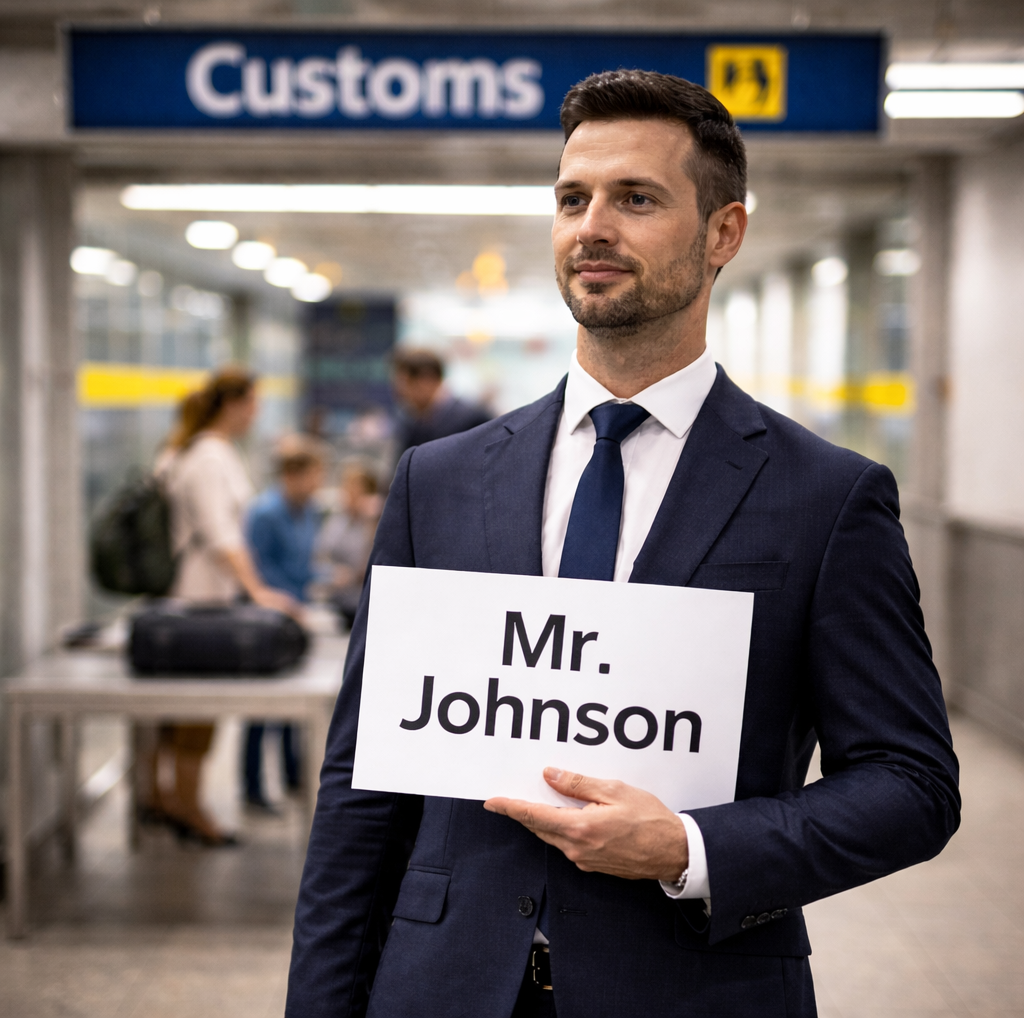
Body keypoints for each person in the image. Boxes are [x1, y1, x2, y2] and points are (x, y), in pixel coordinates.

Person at [286, 71, 960, 1018]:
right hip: (442, 985)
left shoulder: (827, 497)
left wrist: (691, 847)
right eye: (573, 199)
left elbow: (911, 785)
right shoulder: (438, 481)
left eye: (635, 198)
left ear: (724, 233)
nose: (591, 226)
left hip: (695, 986)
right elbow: (363, 786)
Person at [156, 367, 297, 845]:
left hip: (186, 597)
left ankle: (164, 796)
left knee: (175, 711)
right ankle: (189, 807)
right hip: (201, 601)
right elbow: (221, 536)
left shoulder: (186, 450)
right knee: (197, 711)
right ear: (233, 404)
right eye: (253, 403)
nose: (256, 413)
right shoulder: (209, 456)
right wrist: (257, 591)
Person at [242, 434, 326, 810]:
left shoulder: (307, 510)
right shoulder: (264, 513)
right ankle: (253, 788)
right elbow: (258, 570)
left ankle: (294, 777)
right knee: (261, 710)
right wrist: (284, 598)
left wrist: (324, 578)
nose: (318, 483)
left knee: (294, 709)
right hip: (267, 618)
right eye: (313, 475)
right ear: (293, 475)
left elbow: (302, 562)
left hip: (298, 614)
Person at [314, 461, 383, 630]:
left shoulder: (376, 523)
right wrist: (332, 573)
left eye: (357, 490)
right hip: (335, 592)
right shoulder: (336, 521)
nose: (351, 495)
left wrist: (372, 522)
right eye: (348, 488)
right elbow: (319, 556)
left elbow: (375, 562)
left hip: (366, 594)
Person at [392, 346, 492, 456]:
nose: (399, 391)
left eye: (405, 383)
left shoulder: (473, 421)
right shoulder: (412, 424)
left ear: (426, 380)